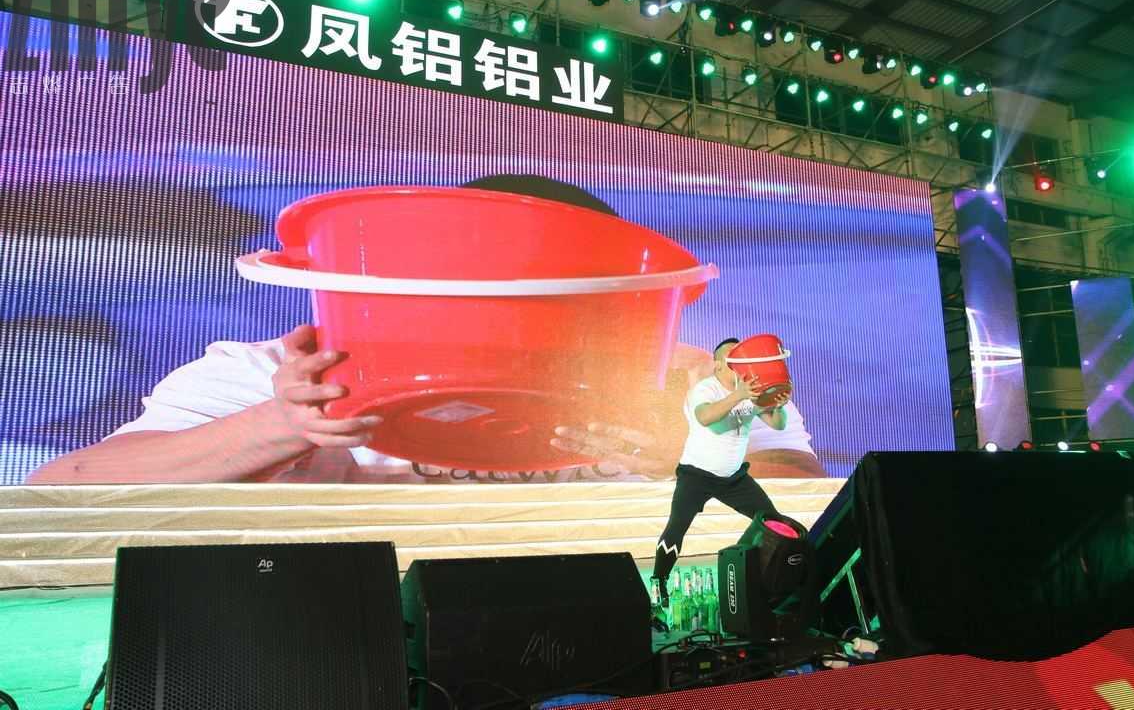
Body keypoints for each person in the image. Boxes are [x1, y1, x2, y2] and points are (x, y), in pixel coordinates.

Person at [26, 176, 825, 484]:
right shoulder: (285, 373)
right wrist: (283, 423)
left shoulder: (704, 382)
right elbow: (64, 488)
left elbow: (809, 502)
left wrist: (691, 457)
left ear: (623, 301)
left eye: (561, 302)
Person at [650, 338, 791, 605]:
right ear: (717, 366)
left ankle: (771, 585)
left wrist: (779, 405)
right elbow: (705, 418)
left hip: (734, 478)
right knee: (677, 526)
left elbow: (778, 424)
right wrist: (739, 395)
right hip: (696, 475)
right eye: (731, 360)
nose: (738, 365)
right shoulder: (705, 389)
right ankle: (659, 585)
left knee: (772, 522)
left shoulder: (750, 390)